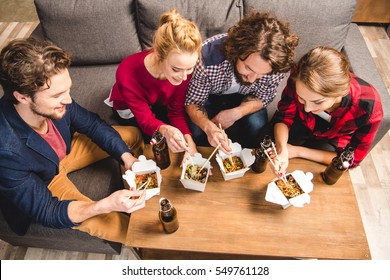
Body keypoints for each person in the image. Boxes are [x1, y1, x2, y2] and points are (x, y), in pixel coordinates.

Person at [0, 38, 146, 244]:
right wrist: (104, 204)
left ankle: (134, 186)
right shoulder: (5, 152)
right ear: (23, 97)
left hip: (64, 152)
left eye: (67, 90)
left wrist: (127, 158)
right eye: (58, 95)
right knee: (116, 225)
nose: (68, 100)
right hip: (43, 179)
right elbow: (47, 210)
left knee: (131, 136)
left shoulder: (57, 100)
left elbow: (92, 125)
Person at [185, 11, 299, 154]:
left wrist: (237, 113)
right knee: (196, 131)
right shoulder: (206, 58)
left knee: (258, 126)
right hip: (209, 97)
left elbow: (265, 96)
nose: (252, 79)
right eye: (248, 68)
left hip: (246, 99)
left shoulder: (276, 65)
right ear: (236, 51)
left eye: (261, 74)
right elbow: (193, 102)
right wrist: (209, 128)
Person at [105, 9, 202, 165]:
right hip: (129, 109)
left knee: (177, 136)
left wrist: (191, 144)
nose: (184, 77)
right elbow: (145, 121)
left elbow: (175, 110)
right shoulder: (127, 73)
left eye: (190, 69)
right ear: (158, 55)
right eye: (176, 69)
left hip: (157, 102)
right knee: (152, 142)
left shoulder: (183, 70)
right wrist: (165, 129)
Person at [271, 46, 383, 175]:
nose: (308, 109)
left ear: (341, 91)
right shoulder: (299, 75)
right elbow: (285, 115)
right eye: (301, 98)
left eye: (318, 102)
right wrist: (282, 149)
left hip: (332, 139)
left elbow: (350, 160)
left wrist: (298, 151)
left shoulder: (369, 109)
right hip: (298, 122)